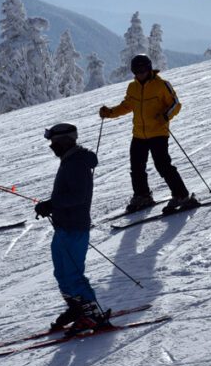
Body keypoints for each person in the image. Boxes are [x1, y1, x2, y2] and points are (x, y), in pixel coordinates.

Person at [99, 54, 199, 214]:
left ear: (149, 68)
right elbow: (127, 105)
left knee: (163, 165)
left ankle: (181, 196)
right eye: (137, 71)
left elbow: (175, 103)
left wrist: (165, 115)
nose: (140, 73)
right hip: (139, 134)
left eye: (143, 70)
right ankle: (142, 195)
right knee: (136, 167)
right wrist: (109, 112)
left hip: (158, 132)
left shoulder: (162, 85)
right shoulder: (133, 87)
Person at [34, 123, 111, 332]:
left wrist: (52, 204)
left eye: (55, 142)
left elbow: (79, 196)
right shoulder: (69, 160)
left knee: (73, 274)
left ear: (67, 141)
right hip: (63, 226)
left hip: (74, 228)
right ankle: (77, 309)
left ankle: (94, 315)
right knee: (61, 272)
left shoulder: (77, 163)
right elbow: (67, 194)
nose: (52, 146)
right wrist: (51, 205)